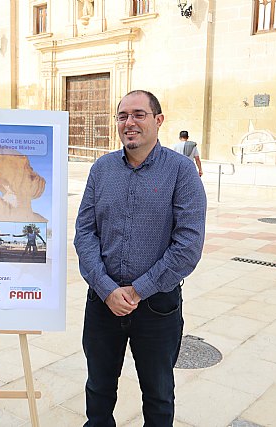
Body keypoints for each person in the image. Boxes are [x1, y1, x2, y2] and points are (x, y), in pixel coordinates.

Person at [74, 90, 206, 427]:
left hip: (157, 306)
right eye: (122, 116)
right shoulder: (101, 169)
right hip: (102, 302)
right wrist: (107, 289)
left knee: (158, 394)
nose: (129, 122)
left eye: (138, 114)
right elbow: (85, 233)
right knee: (98, 388)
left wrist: (137, 291)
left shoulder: (181, 171)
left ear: (158, 120)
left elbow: (188, 245)